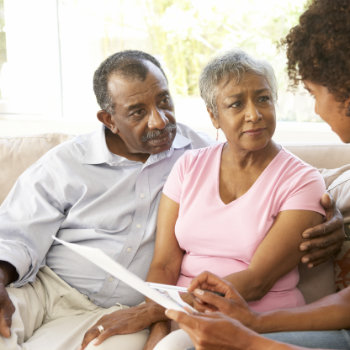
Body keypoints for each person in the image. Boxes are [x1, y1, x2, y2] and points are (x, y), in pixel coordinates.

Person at [0, 50, 343, 350]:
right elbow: (13, 231)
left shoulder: (196, 151)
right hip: (48, 289)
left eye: (164, 101)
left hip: (181, 310)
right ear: (109, 120)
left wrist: (334, 214)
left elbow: (259, 272)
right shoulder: (71, 163)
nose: (159, 121)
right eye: (137, 111)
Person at [165, 0, 350, 349]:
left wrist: (249, 335)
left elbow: (259, 282)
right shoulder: (190, 165)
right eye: (236, 104)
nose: (254, 114)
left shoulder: (299, 178)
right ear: (213, 115)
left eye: (313, 92)